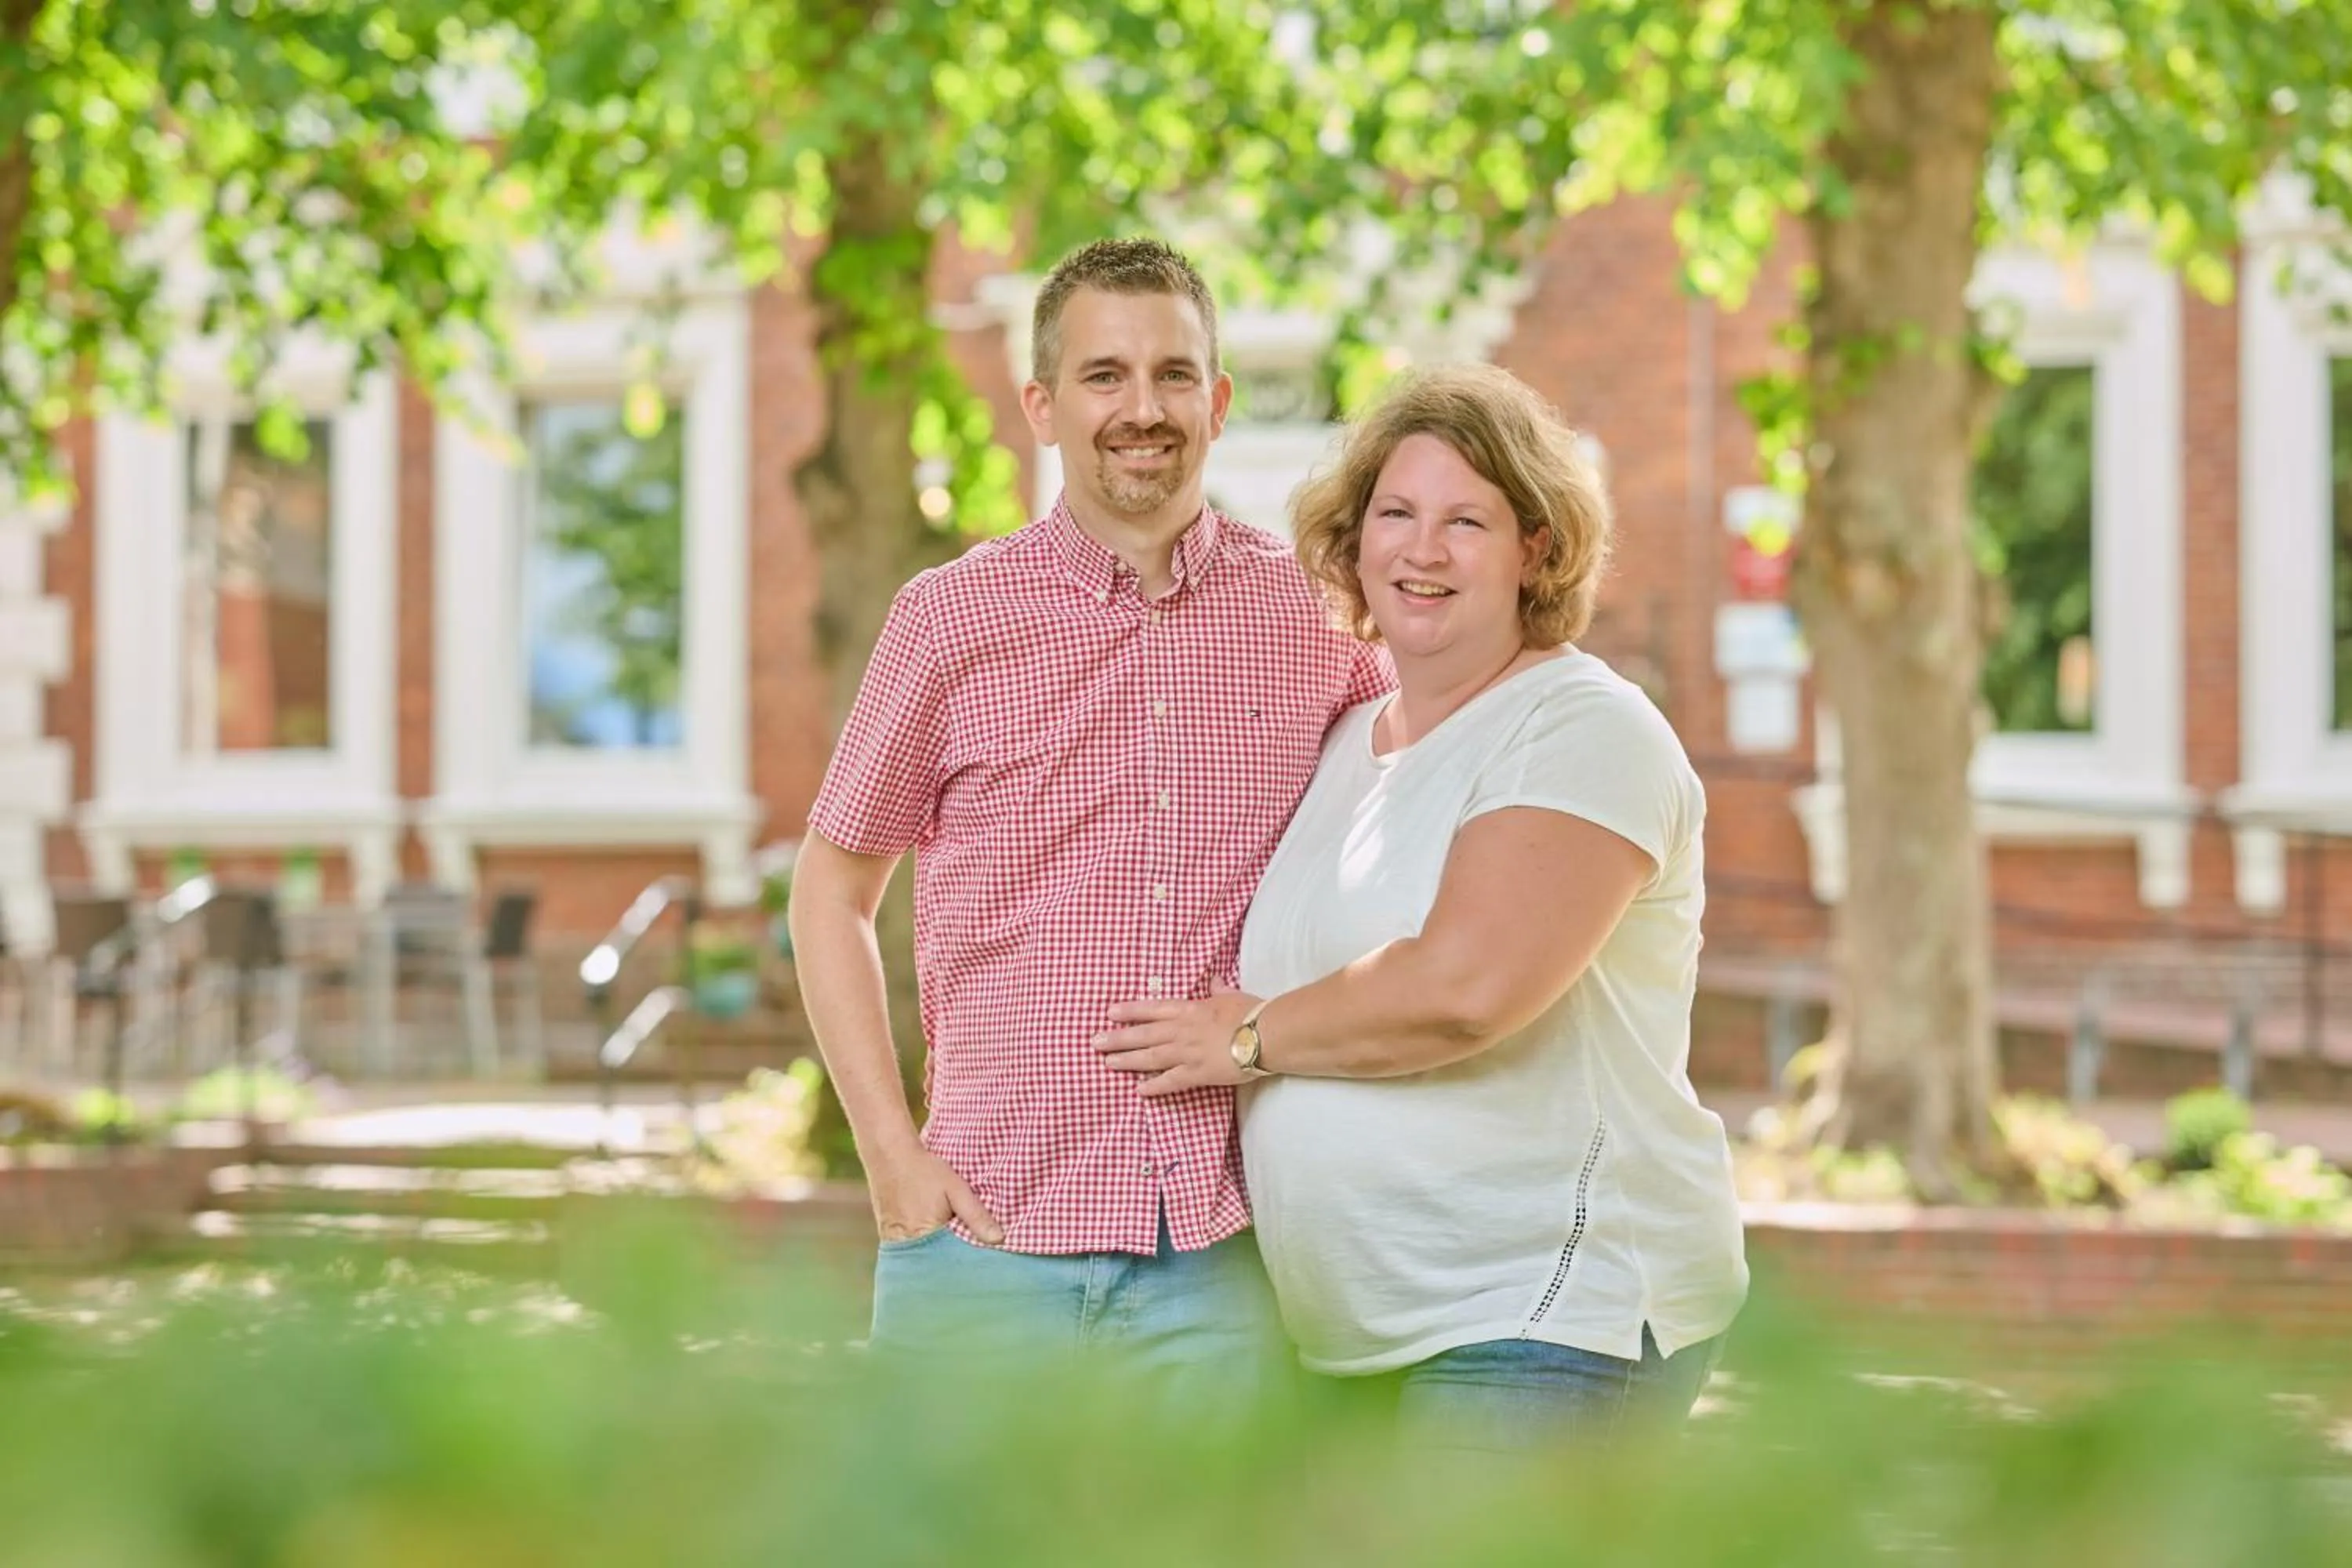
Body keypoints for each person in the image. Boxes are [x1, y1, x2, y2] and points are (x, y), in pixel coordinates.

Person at [1094, 364, 1748, 1451]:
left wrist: (1245, 1037)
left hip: (1544, 1320)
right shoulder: (1351, 743)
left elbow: (1465, 989)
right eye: (1395, 515)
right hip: (1353, 1340)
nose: (1423, 550)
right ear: (1354, 542)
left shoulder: (1582, 728)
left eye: (1466, 522)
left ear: (1537, 549)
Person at [789, 237, 1392, 1406]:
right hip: (983, 1239)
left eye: (1174, 375)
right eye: (1104, 375)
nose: (1142, 408)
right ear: (1042, 407)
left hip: (1225, 1253)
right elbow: (831, 890)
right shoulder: (949, 619)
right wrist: (890, 1161)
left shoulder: (1317, 617)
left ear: (1218, 402)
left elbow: (1397, 849)